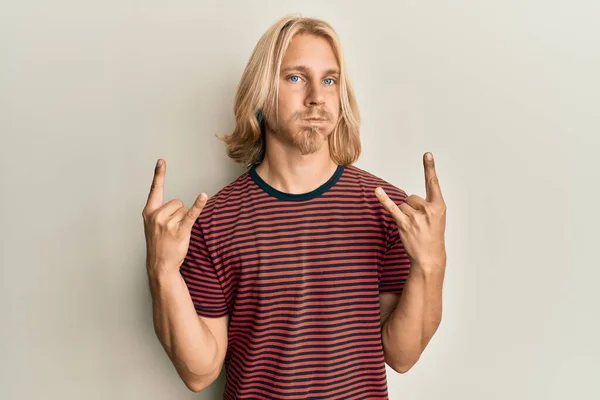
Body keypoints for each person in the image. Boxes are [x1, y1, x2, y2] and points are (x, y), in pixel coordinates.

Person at [142, 15, 447, 400]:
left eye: (330, 80)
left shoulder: (389, 211)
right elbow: (200, 372)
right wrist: (162, 270)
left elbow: (401, 356)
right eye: (296, 77)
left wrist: (431, 262)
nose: (317, 96)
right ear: (261, 94)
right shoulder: (212, 223)